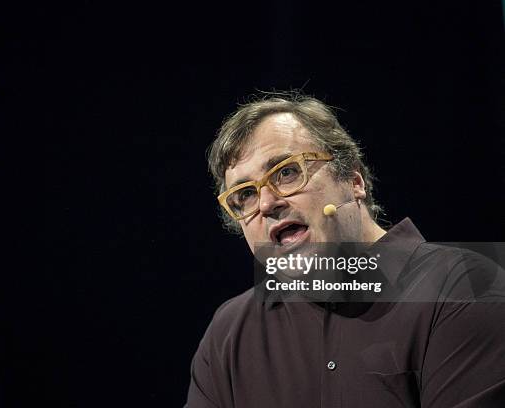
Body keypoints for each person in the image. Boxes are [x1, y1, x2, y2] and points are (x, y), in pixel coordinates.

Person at [185, 93, 505, 407]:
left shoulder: (463, 289)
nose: (267, 204)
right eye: (245, 195)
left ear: (353, 179)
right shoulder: (229, 334)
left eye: (286, 172)